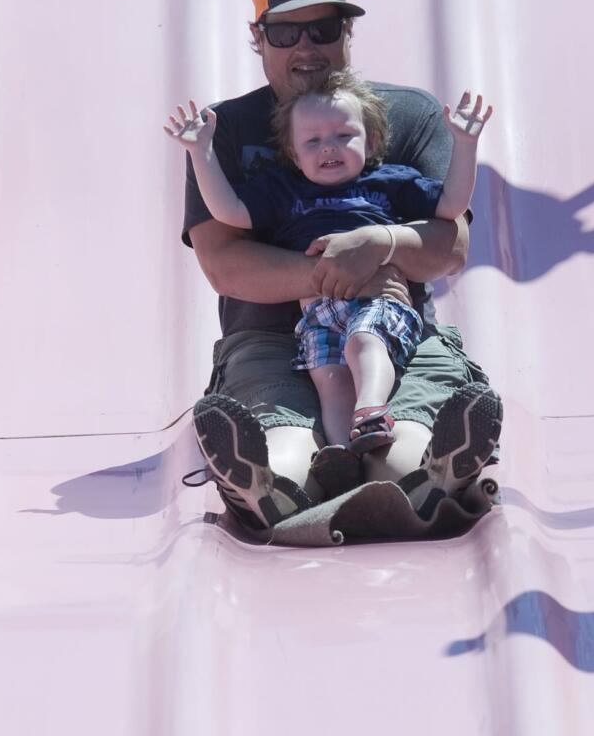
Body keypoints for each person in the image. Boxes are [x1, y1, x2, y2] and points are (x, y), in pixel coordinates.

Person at [180, 0, 502, 531]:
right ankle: (268, 487)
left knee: (398, 456)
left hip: (394, 326)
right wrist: (339, 270)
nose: (307, 46)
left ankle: (430, 475)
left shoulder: (408, 115)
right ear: (258, 39)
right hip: (272, 339)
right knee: (290, 456)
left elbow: (449, 245)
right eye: (285, 31)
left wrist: (378, 240)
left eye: (324, 28)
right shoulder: (224, 132)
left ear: (347, 34)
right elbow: (225, 263)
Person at [166, 69, 491, 454]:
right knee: (330, 380)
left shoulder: (391, 182)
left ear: (371, 143)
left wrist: (466, 144)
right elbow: (229, 210)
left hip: (380, 301)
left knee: (364, 342)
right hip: (318, 310)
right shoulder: (283, 191)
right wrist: (200, 152)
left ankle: (372, 409)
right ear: (293, 154)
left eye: (344, 136)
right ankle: (343, 454)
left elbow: (451, 207)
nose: (328, 148)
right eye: (313, 141)